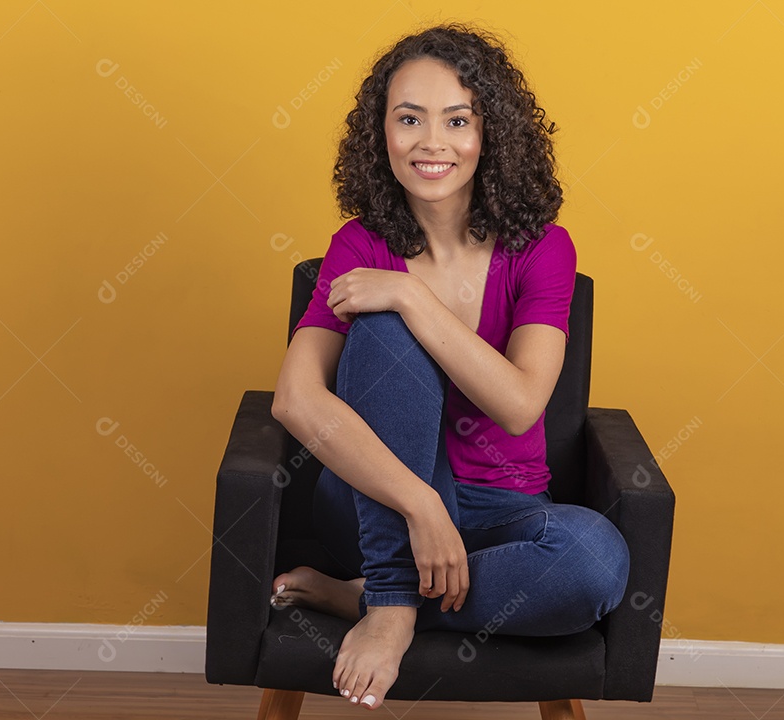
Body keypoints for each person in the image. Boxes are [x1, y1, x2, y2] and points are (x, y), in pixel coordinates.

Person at [269, 24, 629, 711]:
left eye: (457, 120)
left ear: (490, 134)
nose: (432, 142)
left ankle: (365, 599)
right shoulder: (360, 244)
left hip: (504, 510)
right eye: (409, 119)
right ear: (383, 135)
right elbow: (294, 400)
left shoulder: (542, 249)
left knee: (596, 563)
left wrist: (409, 294)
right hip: (377, 506)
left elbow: (521, 404)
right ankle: (394, 600)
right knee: (379, 328)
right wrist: (419, 502)